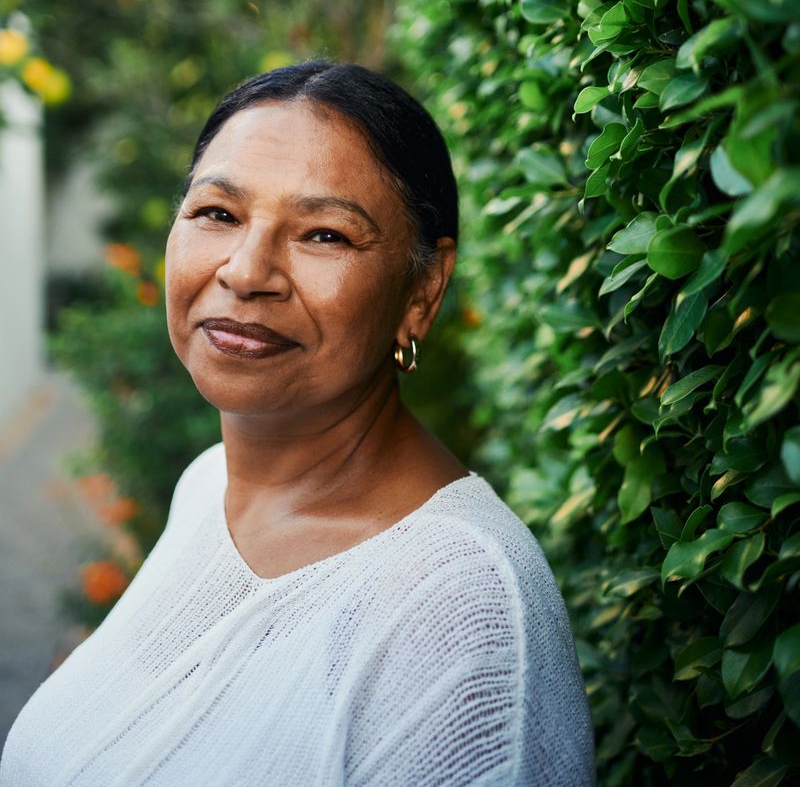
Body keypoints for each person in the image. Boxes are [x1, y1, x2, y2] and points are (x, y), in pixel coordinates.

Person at [1, 62, 595, 785]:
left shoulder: (458, 613)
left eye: (324, 234)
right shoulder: (209, 487)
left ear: (422, 289)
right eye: (217, 214)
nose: (247, 270)